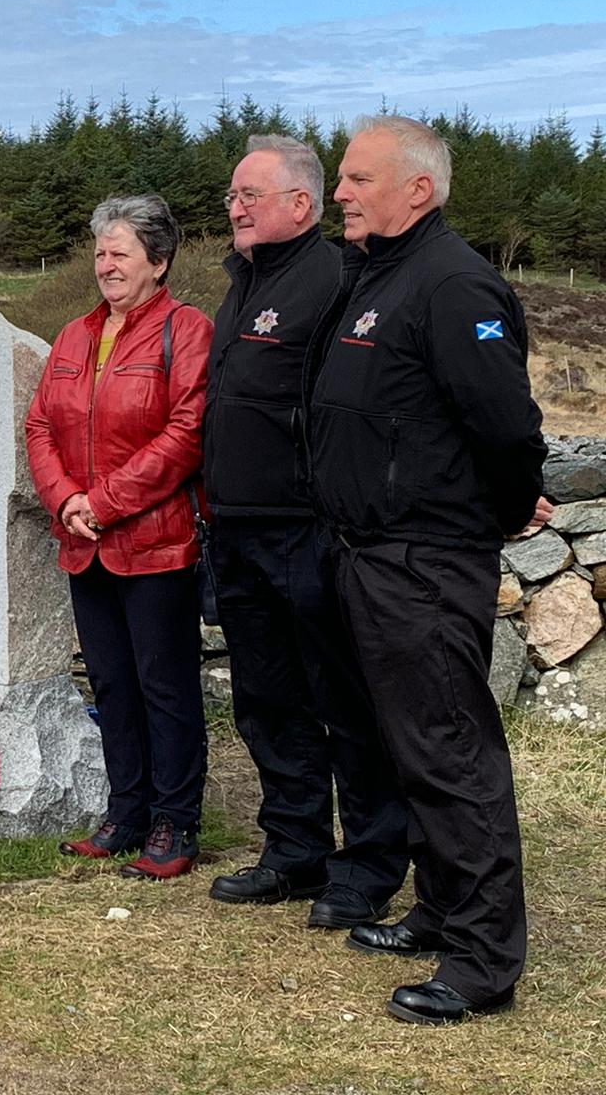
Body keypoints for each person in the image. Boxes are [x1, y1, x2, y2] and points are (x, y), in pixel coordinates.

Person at [310, 115, 551, 1025]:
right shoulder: (383, 275)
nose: (342, 193)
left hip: (424, 560)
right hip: (370, 555)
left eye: (358, 178)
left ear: (419, 188)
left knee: (451, 754)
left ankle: (484, 960)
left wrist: (481, 519)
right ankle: (444, 908)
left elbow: (506, 427)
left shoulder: (453, 284)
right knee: (410, 747)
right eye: (340, 178)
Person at [201, 137, 409, 926]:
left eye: (251, 194)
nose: (236, 207)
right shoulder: (244, 280)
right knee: (267, 702)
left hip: (306, 533)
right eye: (231, 196)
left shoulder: (329, 280)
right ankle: (294, 852)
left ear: (303, 204)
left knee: (343, 704)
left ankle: (368, 867)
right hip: (239, 531)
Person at [25, 194, 211, 880]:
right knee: (111, 683)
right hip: (85, 542)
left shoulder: (186, 331)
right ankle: (125, 810)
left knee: (164, 686)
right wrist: (66, 498)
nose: (106, 264)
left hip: (157, 544)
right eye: (100, 251)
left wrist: (103, 502)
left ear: (158, 263)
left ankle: (175, 821)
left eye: (121, 252)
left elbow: (185, 434)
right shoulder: (74, 336)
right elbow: (41, 424)